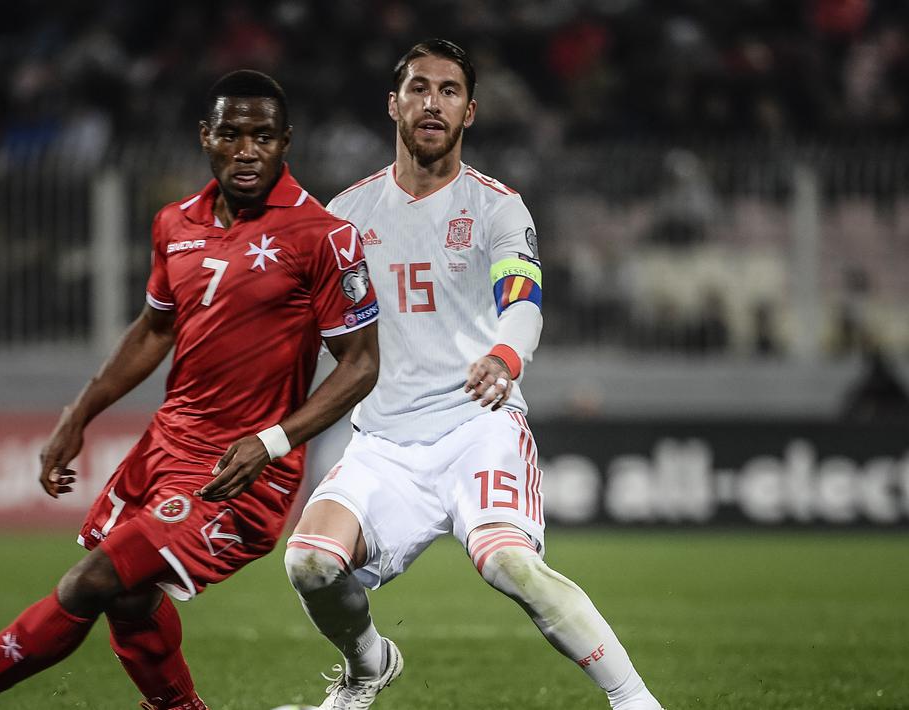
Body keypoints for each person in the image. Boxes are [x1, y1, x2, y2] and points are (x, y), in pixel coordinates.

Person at [0, 69, 380, 710]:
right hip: (165, 448)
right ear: (205, 136)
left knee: (93, 582)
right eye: (231, 133)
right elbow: (155, 329)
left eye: (263, 136)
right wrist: (79, 413)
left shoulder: (322, 236)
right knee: (131, 598)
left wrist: (270, 442)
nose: (247, 150)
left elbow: (358, 366)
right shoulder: (174, 222)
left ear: (286, 141)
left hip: (242, 471)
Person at [284, 40, 664, 710]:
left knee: (508, 563)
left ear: (470, 112)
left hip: (475, 426)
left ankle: (636, 703)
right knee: (309, 563)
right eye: (419, 88)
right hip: (382, 443)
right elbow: (310, 332)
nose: (433, 101)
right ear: (393, 104)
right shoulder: (341, 218)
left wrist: (504, 357)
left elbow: (523, 304)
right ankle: (367, 664)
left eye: (449, 90)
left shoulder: (496, 207)